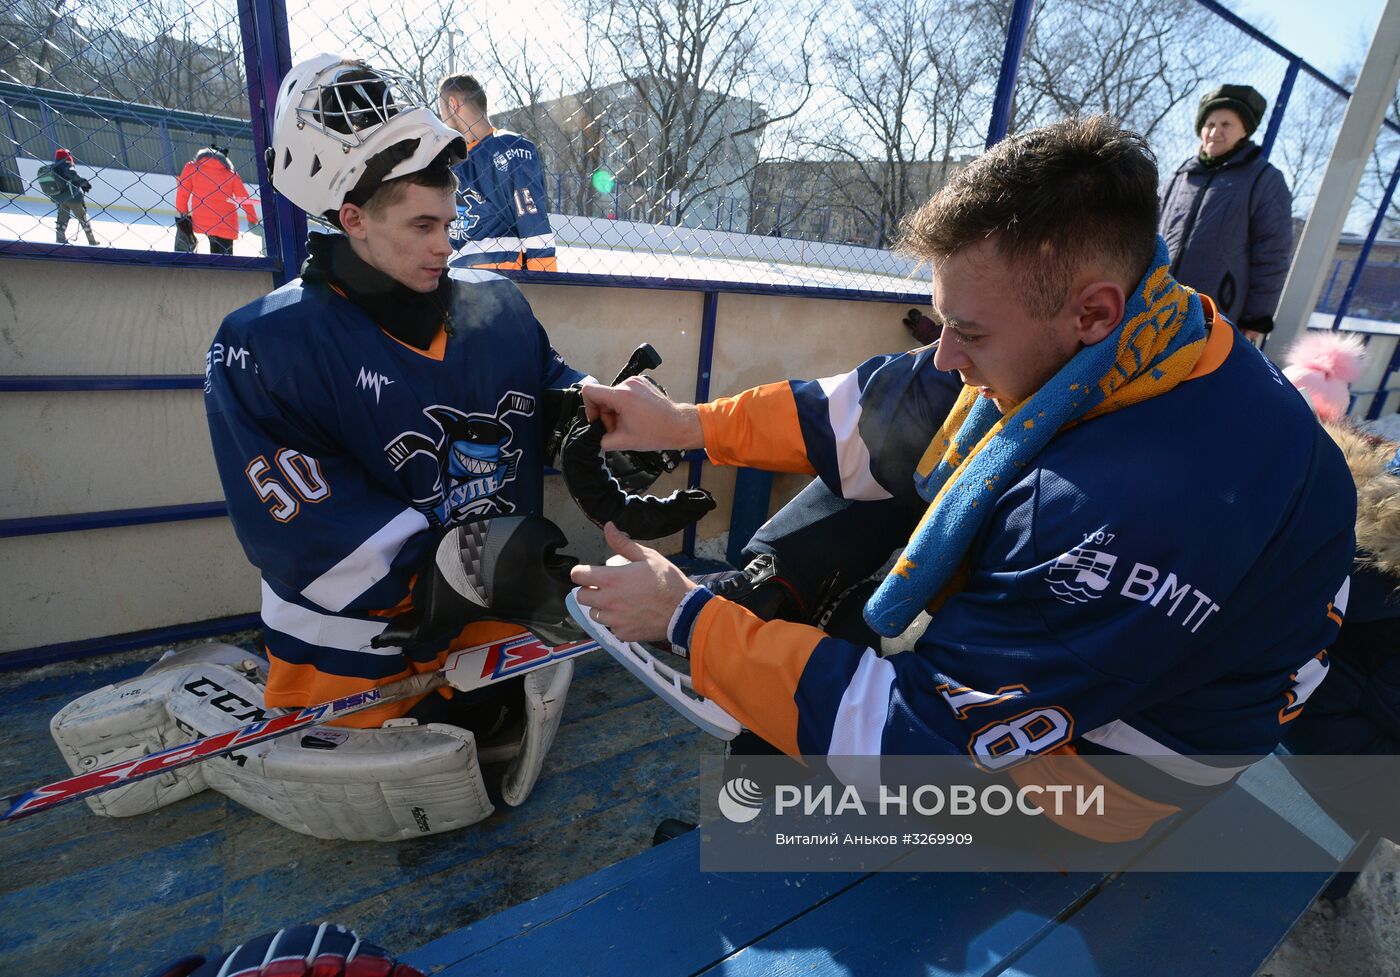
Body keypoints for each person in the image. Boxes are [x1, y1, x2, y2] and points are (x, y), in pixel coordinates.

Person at [570, 115, 1357, 844]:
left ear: (1091, 312)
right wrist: (688, 424)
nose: (945, 352)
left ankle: (774, 823)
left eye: (968, 330)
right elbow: (868, 410)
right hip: (1154, 647)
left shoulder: (1114, 516)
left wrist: (689, 623)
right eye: (942, 318)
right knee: (889, 459)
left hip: (1110, 775)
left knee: (874, 746)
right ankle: (767, 629)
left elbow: (917, 745)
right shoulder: (1149, 324)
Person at [199, 55, 592, 837]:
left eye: (450, 225)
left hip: (492, 635)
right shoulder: (264, 344)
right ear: (352, 218)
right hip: (360, 661)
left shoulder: (497, 305)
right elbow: (303, 527)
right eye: (422, 226)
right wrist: (469, 566)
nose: (446, 247)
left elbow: (546, 386)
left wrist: (595, 421)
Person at [1159, 84, 1293, 343]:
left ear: (1245, 130)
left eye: (1226, 124)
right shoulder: (1181, 176)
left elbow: (1273, 254)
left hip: (1214, 315)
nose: (1215, 132)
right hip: (1157, 304)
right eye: (1209, 124)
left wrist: (1255, 317)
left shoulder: (1264, 179)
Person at [437, 74, 558, 271]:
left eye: (441, 110)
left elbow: (533, 223)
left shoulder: (509, 148)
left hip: (500, 277)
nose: (441, 118)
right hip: (456, 279)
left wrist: (544, 278)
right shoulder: (446, 159)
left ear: (453, 104)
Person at [175, 139, 259, 254]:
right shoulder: (231, 175)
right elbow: (244, 198)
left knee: (206, 246)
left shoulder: (192, 168)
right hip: (226, 223)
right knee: (224, 258)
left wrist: (183, 214)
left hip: (202, 219)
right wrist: (252, 220)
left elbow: (182, 194)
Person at [47, 148, 98, 246]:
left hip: (60, 197)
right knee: (83, 218)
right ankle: (92, 241)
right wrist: (85, 183)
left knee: (62, 218)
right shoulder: (67, 165)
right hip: (72, 196)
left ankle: (60, 238)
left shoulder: (53, 167)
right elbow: (73, 175)